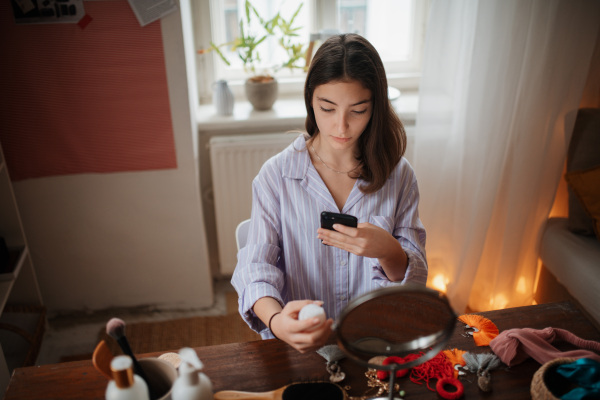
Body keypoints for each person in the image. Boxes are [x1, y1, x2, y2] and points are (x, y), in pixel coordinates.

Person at [231, 33, 428, 353]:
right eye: (327, 108)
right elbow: (255, 269)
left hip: (375, 345)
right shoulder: (276, 176)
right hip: (300, 348)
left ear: (375, 106)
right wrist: (278, 321)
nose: (341, 126)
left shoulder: (399, 175)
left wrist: (389, 250)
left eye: (358, 110)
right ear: (310, 99)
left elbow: (413, 284)